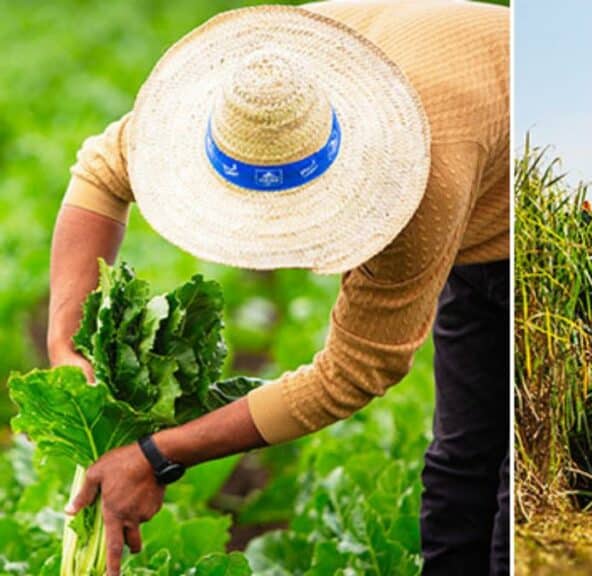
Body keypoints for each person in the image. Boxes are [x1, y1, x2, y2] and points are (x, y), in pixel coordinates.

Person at [46, 3, 509, 575]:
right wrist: (66, 344)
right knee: (464, 458)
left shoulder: (424, 181)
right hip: (470, 125)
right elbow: (99, 173)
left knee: (517, 493)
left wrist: (158, 456)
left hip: (522, 215)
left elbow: (354, 372)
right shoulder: (262, 82)